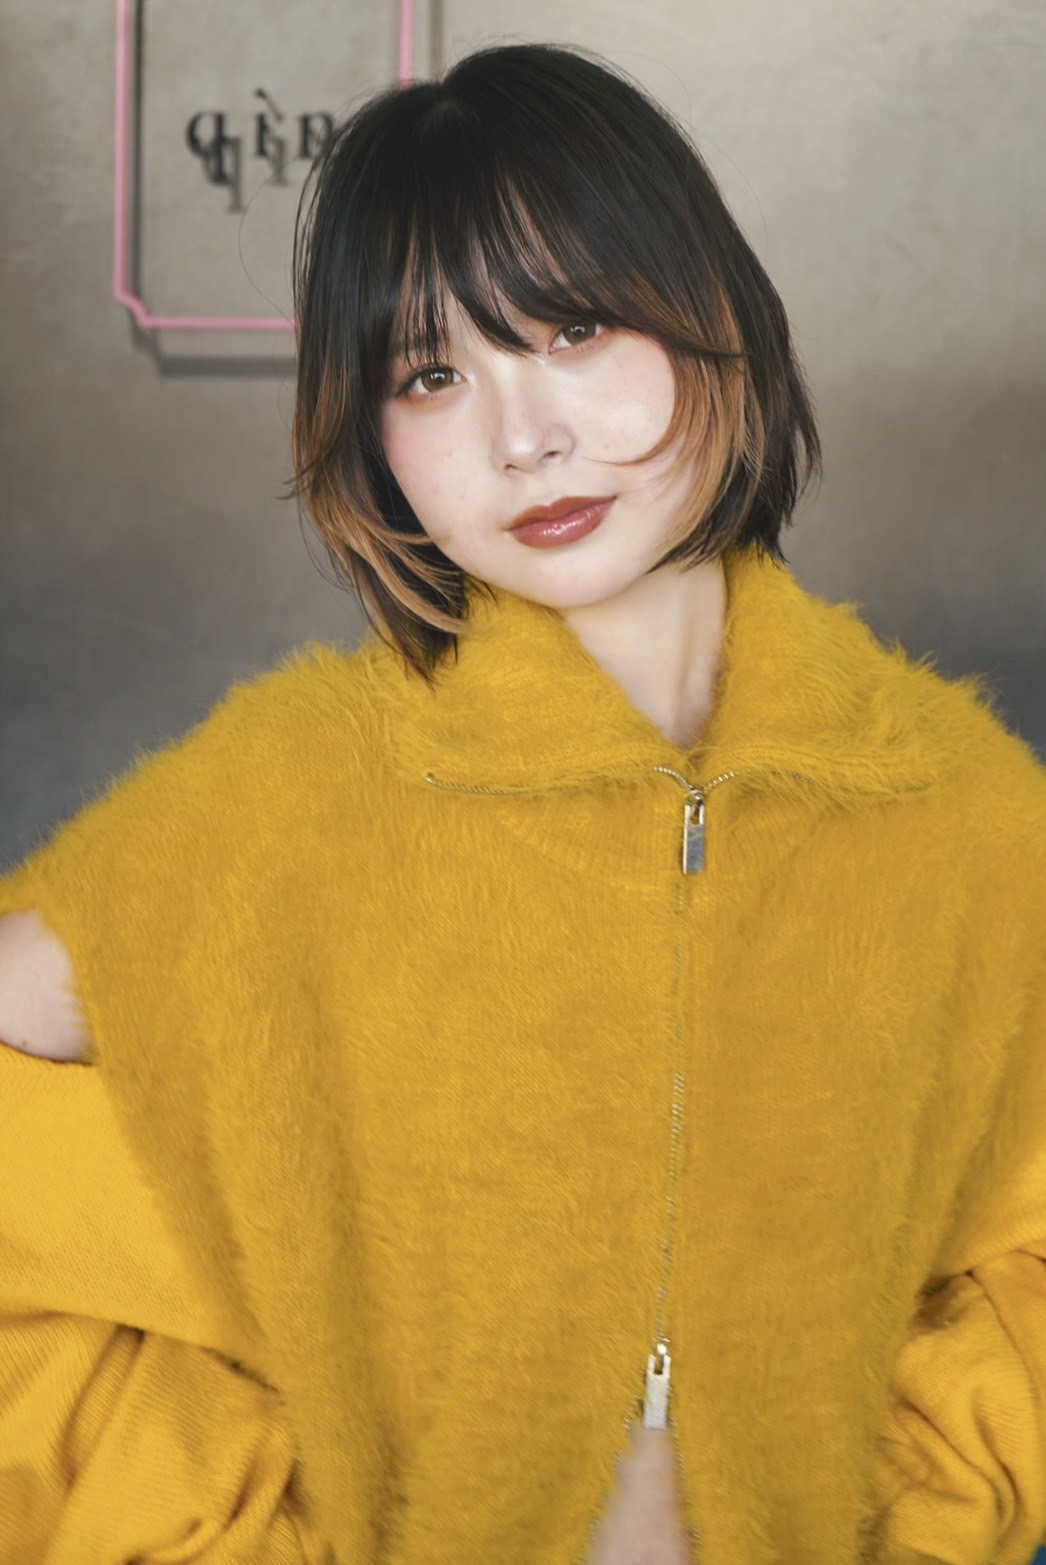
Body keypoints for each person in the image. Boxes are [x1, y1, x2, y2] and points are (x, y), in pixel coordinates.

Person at [0, 40, 1044, 1565]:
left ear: (711, 308)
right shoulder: (291, 793)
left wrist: (930, 1516)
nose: (522, 438)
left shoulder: (956, 808)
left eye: (570, 326)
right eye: (431, 374)